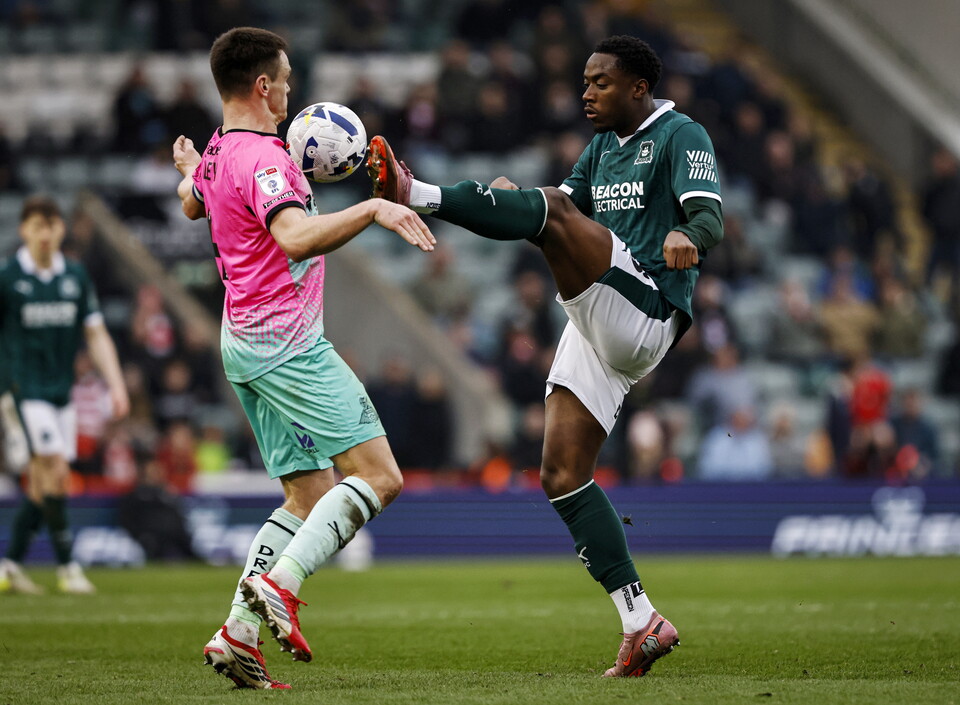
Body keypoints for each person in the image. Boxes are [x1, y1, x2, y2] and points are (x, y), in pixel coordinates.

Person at [368, 34, 723, 677]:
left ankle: (413, 190)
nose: (586, 92)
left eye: (601, 82)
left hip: (648, 308)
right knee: (561, 474)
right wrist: (513, 201)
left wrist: (685, 232)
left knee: (551, 213)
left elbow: (710, 218)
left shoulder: (680, 135)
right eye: (585, 81)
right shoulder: (599, 150)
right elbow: (561, 212)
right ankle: (640, 620)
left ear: (639, 88)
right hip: (599, 319)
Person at [171, 27, 434, 690]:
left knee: (308, 490)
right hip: (287, 344)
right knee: (380, 475)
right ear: (263, 86)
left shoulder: (217, 149)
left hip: (243, 344)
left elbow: (191, 202)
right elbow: (291, 237)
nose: (289, 89)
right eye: (284, 78)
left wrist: (185, 170)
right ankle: (281, 583)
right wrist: (372, 206)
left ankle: (236, 631)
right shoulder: (265, 158)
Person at [0, 195, 129, 595]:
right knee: (55, 468)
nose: (45, 233)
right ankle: (69, 567)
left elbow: (95, 334)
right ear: (24, 230)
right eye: (37, 225)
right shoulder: (8, 278)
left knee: (44, 485)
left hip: (61, 392)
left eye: (51, 225)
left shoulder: (73, 276)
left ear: (60, 230)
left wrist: (116, 384)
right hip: (22, 390)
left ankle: (10, 565)